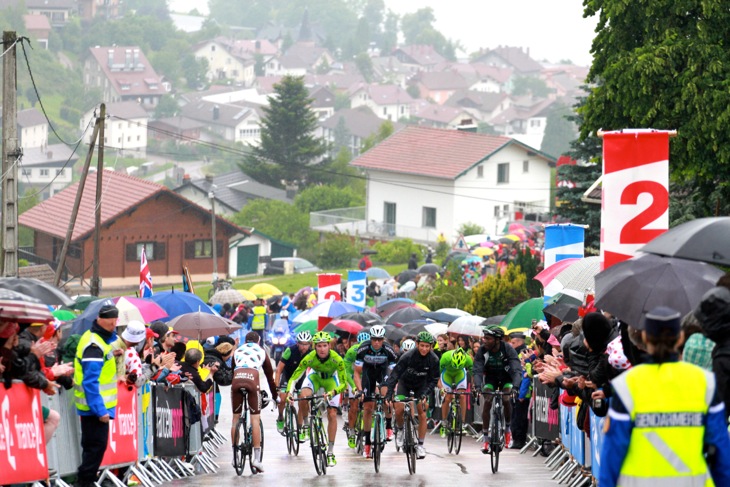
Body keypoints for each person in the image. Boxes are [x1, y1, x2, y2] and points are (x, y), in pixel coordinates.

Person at [599, 306, 730, 487]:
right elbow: (721, 450)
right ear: (681, 337)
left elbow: (612, 453)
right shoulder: (704, 382)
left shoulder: (627, 385)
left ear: (644, 338)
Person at [285, 331, 350, 467]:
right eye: (319, 346)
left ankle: (330, 452)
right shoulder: (310, 357)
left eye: (324, 346)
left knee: (332, 414)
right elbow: (294, 377)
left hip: (331, 382)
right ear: (314, 347)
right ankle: (307, 426)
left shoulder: (337, 359)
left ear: (329, 346)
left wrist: (333, 392)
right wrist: (289, 393)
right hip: (315, 378)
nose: (322, 349)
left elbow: (344, 384)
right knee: (303, 396)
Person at [74, 303, 120, 487]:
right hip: (93, 409)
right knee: (95, 448)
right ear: (103, 321)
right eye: (112, 323)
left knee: (95, 448)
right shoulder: (94, 344)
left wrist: (111, 355)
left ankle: (86, 481)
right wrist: (100, 410)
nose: (115, 326)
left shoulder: (98, 340)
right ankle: (85, 482)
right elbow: (90, 381)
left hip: (94, 407)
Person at [385, 331, 440, 460]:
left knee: (422, 410)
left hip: (421, 386)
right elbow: (394, 376)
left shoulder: (434, 359)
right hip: (405, 383)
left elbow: (434, 379)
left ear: (431, 346)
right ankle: (399, 429)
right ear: (417, 344)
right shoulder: (407, 356)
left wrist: (426, 393)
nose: (424, 349)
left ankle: (420, 444)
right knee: (399, 409)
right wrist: (388, 394)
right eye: (422, 345)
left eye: (427, 346)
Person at [231, 332, 277, 473]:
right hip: (252, 378)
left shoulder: (238, 350)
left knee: (235, 418)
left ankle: (235, 456)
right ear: (258, 341)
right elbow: (270, 378)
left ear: (245, 341)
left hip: (237, 379)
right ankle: (256, 460)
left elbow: (232, 369)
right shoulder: (261, 350)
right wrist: (275, 396)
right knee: (255, 419)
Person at [473, 325, 522, 453]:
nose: (484, 340)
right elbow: (477, 370)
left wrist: (515, 387)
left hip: (507, 378)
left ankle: (507, 430)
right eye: (484, 337)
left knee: (506, 399)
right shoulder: (483, 350)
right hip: (491, 379)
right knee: (488, 400)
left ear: (497, 339)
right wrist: (478, 387)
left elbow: (517, 370)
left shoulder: (508, 349)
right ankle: (485, 438)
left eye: (488, 338)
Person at [353, 325, 398, 458]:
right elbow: (356, 372)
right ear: (371, 339)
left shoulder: (389, 350)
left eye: (379, 339)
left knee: (385, 396)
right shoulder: (363, 349)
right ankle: (367, 442)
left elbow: (394, 372)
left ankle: (389, 426)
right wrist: (360, 390)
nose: (377, 342)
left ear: (383, 339)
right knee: (368, 408)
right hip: (368, 374)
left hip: (383, 373)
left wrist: (392, 389)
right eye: (374, 339)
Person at [274, 331, 313, 433]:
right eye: (302, 344)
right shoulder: (290, 350)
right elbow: (278, 369)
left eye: (306, 344)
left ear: (310, 344)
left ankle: (299, 428)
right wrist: (276, 386)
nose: (304, 347)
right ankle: (281, 416)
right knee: (282, 398)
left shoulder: (311, 353)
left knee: (302, 401)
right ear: (297, 343)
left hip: (300, 378)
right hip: (287, 376)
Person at [344, 331, 370, 448]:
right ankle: (351, 431)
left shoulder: (373, 351)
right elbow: (346, 370)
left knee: (369, 403)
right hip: (353, 376)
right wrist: (350, 386)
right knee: (354, 405)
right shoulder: (352, 351)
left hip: (367, 376)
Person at [438, 348, 472, 436]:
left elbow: (473, 374)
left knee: (462, 396)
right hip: (447, 374)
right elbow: (436, 376)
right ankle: (444, 423)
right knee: (448, 397)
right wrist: (441, 388)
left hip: (459, 374)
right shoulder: (445, 357)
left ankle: (462, 423)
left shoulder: (468, 359)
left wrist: (475, 387)